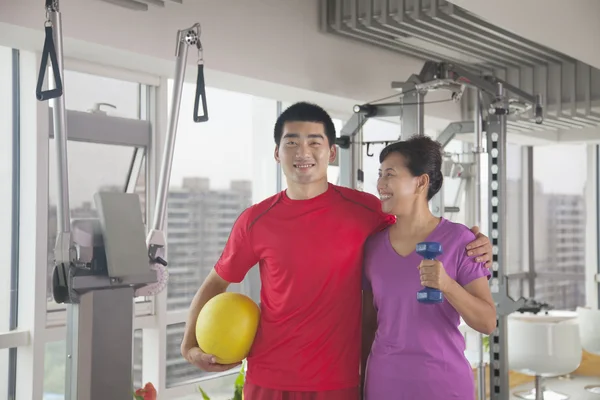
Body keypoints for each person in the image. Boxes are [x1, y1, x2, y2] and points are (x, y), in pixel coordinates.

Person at [180, 102, 494, 400]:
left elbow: (418, 223)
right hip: (269, 377)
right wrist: (189, 347)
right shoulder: (255, 221)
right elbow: (215, 282)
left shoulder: (366, 211)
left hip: (338, 381)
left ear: (331, 152)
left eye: (314, 142)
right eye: (291, 142)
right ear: (277, 153)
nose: (303, 152)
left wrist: (474, 242)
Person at [361, 135, 496, 400]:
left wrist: (448, 286)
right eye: (379, 174)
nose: (380, 184)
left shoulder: (461, 240)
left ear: (421, 182)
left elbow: (487, 322)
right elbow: (368, 325)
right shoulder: (373, 247)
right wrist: (359, 381)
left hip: (443, 384)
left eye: (390, 174)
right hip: (383, 382)